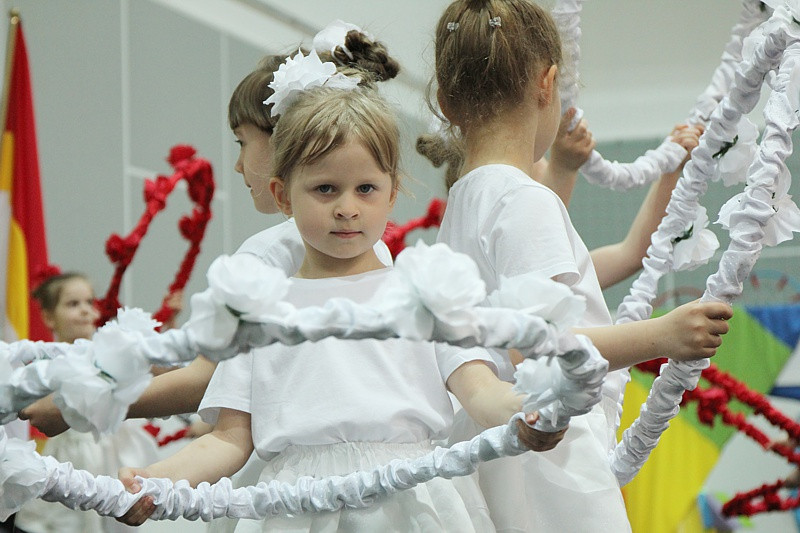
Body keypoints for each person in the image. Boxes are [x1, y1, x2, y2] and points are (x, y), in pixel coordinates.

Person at [117, 57, 563, 532]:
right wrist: (156, 478)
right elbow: (228, 439)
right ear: (284, 196)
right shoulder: (258, 311)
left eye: (366, 189)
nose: (347, 209)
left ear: (392, 194)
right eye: (325, 189)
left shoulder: (425, 290)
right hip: (296, 509)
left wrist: (524, 411)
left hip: (410, 501)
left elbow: (479, 389)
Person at [430, 1, 733, 531]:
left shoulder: (466, 199)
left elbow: (627, 255)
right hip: (547, 462)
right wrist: (661, 335)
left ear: (446, 101)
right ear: (547, 85)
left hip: (501, 449)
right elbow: (543, 351)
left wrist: (671, 176)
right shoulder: (522, 201)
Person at [13, 272, 161, 533]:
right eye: (73, 304)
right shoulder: (45, 365)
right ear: (49, 316)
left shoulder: (110, 354)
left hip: (111, 454)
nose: (84, 310)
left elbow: (148, 374)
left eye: (89, 302)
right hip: (71, 458)